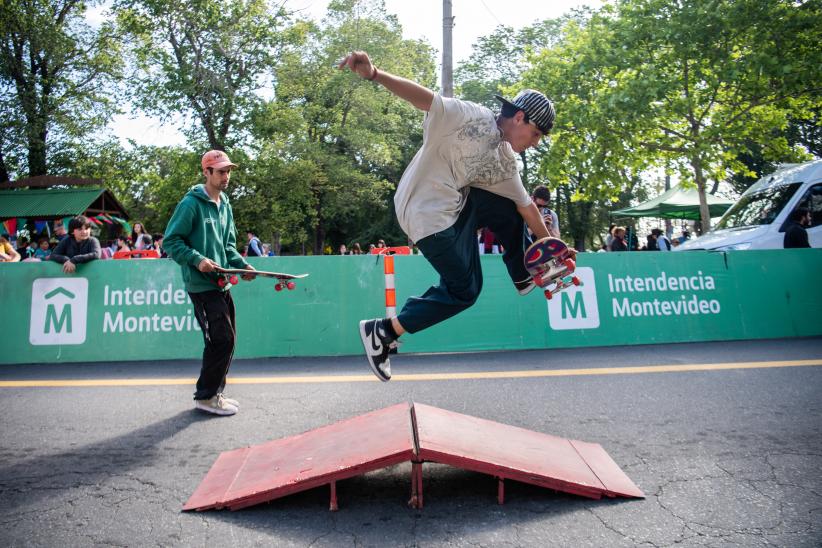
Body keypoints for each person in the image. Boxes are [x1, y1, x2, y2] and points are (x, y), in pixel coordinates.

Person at [339, 50, 555, 381]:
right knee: (466, 291)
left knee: (510, 203)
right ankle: (383, 330)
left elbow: (527, 207)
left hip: (452, 216)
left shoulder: (505, 162)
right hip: (423, 213)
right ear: (521, 118)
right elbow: (424, 99)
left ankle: (385, 331)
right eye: (537, 134)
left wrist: (552, 246)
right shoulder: (470, 117)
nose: (535, 144)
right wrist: (375, 74)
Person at [163, 149, 255, 416]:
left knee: (228, 339)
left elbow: (228, 247)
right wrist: (197, 259)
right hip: (201, 286)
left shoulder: (225, 203)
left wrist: (243, 266)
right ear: (207, 172)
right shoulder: (190, 204)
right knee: (221, 340)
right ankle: (206, 396)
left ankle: (215, 393)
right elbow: (171, 242)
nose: (226, 176)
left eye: (228, 171)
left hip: (222, 283)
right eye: (220, 171)